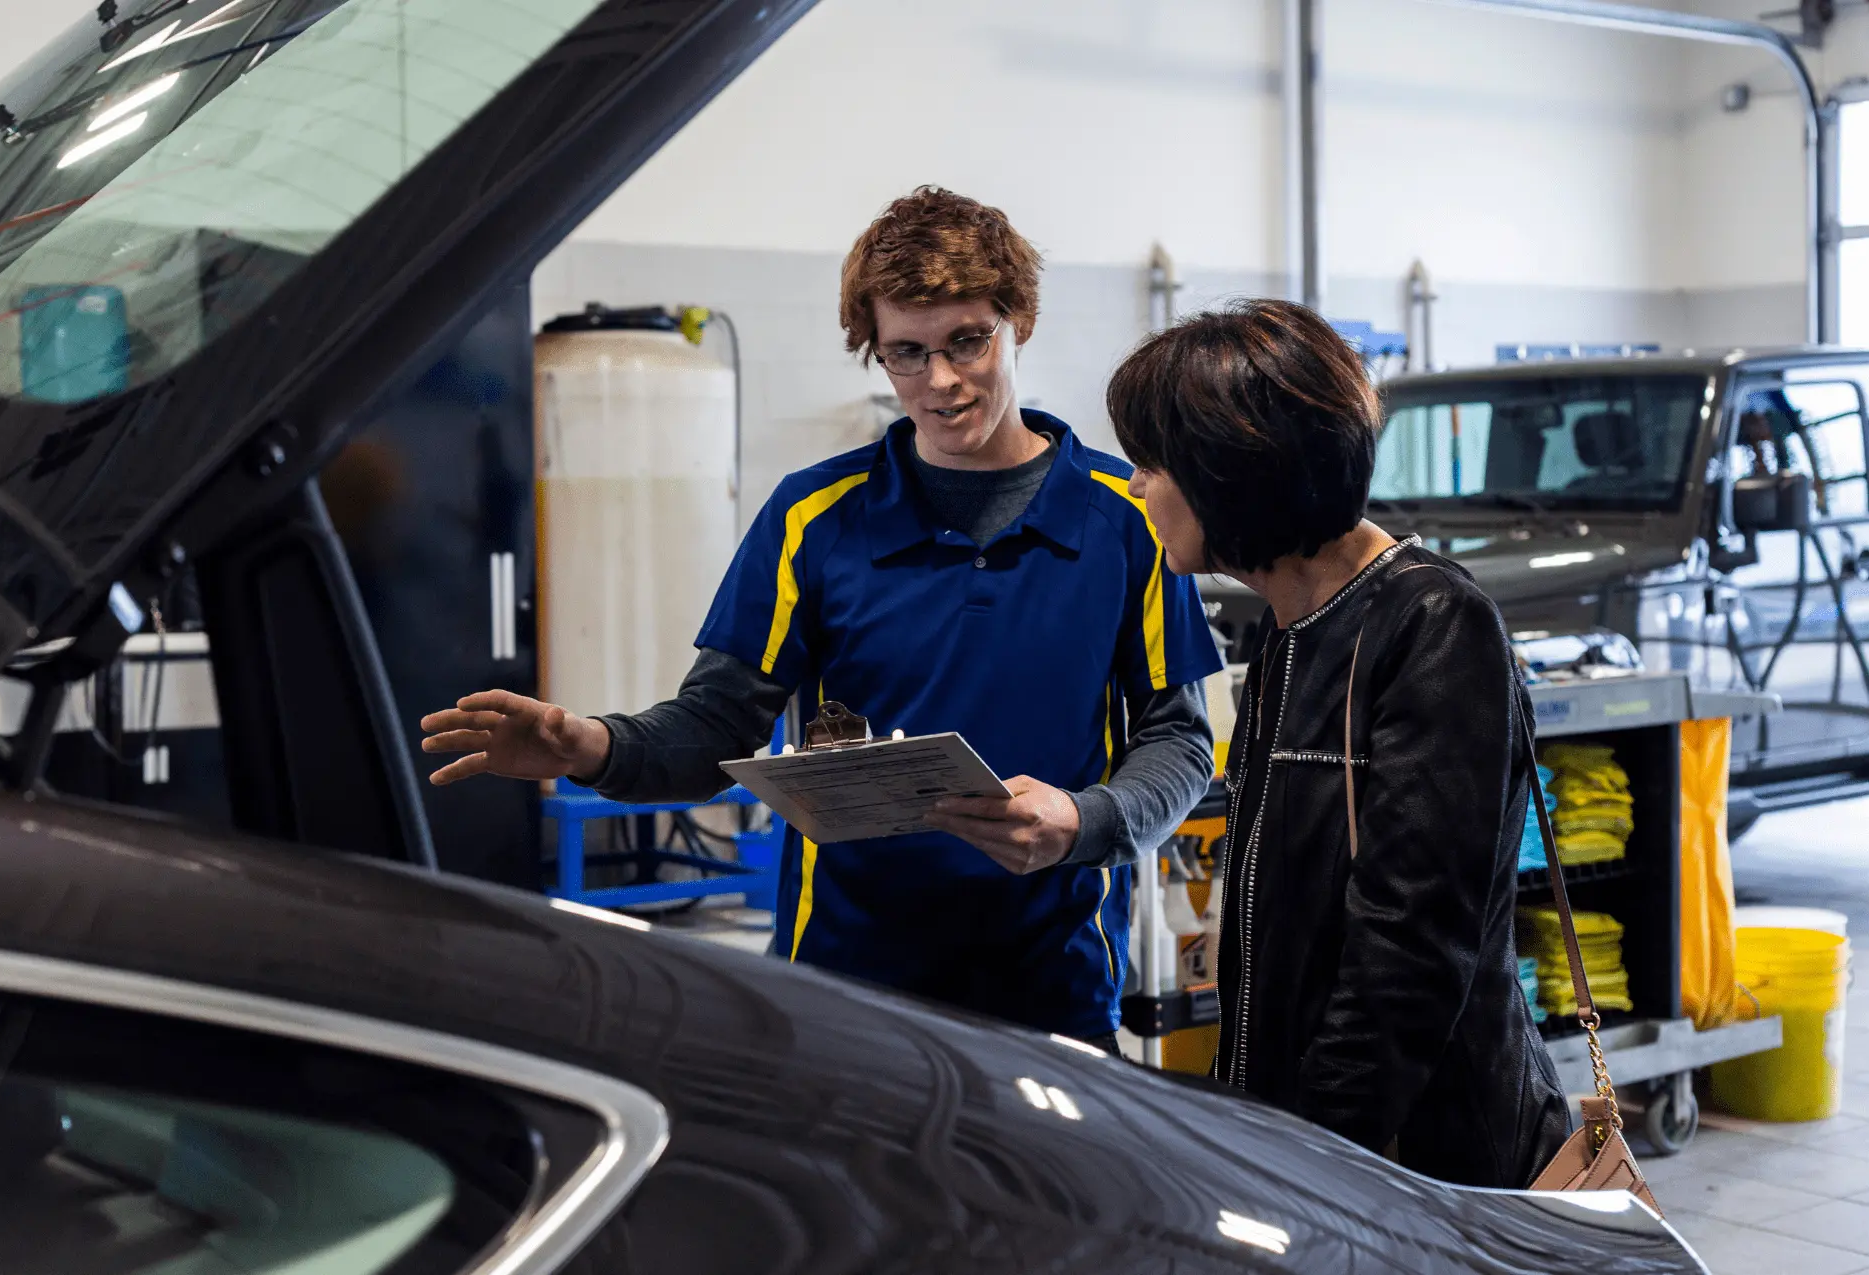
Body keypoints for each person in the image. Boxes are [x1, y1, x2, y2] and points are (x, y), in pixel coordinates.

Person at [421, 186, 1222, 1051]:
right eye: (906, 354)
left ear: (1016, 321)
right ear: (874, 354)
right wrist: (593, 746)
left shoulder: (1124, 517)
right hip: (846, 987)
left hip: (1055, 981)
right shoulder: (814, 518)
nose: (941, 381)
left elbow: (1176, 739)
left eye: (966, 341)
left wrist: (1086, 820)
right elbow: (715, 726)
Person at [1106, 299, 1569, 1187]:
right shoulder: (1291, 628)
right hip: (1308, 1135)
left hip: (1417, 1163)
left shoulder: (1433, 626)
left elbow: (1408, 956)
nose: (1136, 486)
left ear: (1230, 472)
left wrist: (1309, 1165)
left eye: (1152, 463)